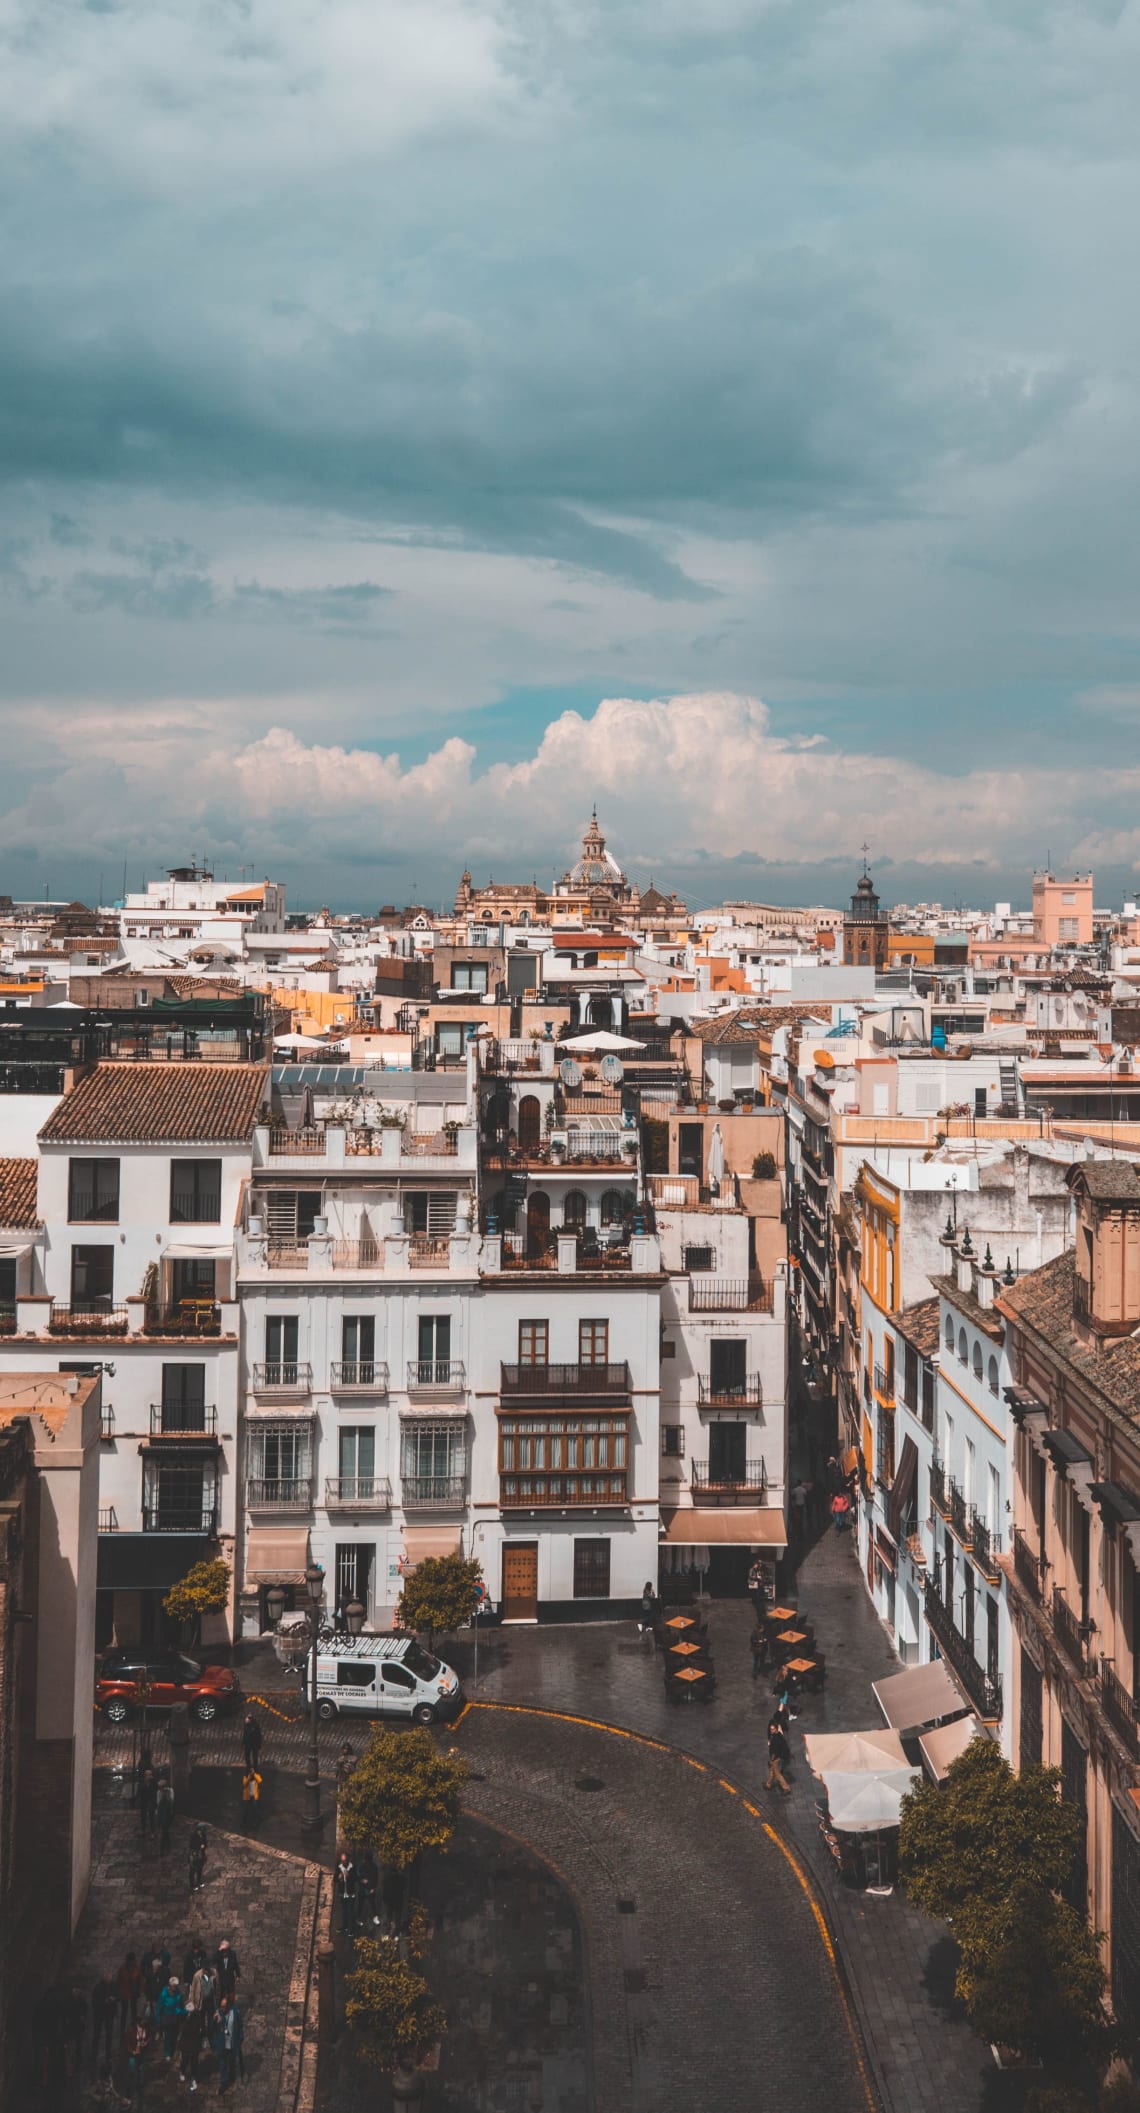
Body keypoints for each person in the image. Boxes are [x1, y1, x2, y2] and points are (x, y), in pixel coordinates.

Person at [211, 1996, 244, 2093]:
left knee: (232, 2061)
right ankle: (224, 2082)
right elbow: (212, 2029)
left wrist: (240, 2039)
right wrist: (214, 2021)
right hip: (222, 2044)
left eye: (224, 2006)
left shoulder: (235, 2013)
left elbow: (240, 2025)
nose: (223, 2008)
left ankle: (232, 2075)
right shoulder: (218, 2013)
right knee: (223, 2063)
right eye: (221, 2006)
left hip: (232, 2043)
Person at [92, 1973, 118, 2072]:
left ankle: (108, 2053)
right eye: (107, 1977)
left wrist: (114, 1998)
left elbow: (118, 1995)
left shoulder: (113, 1986)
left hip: (109, 2013)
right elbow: (94, 2001)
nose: (108, 1979)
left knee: (109, 2033)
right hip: (100, 2014)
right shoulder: (98, 1988)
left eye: (109, 1978)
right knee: (97, 2033)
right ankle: (94, 2053)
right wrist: (104, 2001)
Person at [156, 1976, 184, 2063]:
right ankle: (167, 2053)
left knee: (174, 2036)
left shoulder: (178, 1993)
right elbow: (159, 2006)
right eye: (174, 1986)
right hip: (167, 2018)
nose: (175, 1987)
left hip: (176, 2018)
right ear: (170, 1985)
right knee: (168, 2036)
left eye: (176, 1986)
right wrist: (158, 2019)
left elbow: (180, 2005)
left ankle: (172, 2051)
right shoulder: (164, 1994)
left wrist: (182, 2012)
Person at [178, 1999, 204, 2093]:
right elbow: (183, 2029)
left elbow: (198, 2028)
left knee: (194, 2062)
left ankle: (194, 2078)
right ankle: (182, 2071)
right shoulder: (183, 2016)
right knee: (185, 2060)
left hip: (194, 2043)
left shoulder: (197, 2015)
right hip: (185, 2043)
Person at [115, 1951, 142, 2034]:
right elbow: (119, 1981)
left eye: (133, 1960)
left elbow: (140, 1980)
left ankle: (134, 2028)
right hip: (125, 1992)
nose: (132, 1962)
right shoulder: (122, 1968)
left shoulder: (137, 1968)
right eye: (131, 1960)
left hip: (133, 1992)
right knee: (124, 2012)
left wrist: (139, 1990)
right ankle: (123, 2030)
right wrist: (119, 1993)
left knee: (134, 2011)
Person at [765, 1714, 792, 1796]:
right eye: (770, 1729)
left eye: (772, 1729)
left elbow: (775, 1751)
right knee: (772, 1771)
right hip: (776, 1757)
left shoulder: (776, 1739)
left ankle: (786, 1788)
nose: (771, 1731)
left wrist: (772, 1758)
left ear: (776, 1729)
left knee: (777, 1774)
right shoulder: (778, 1735)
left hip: (775, 1758)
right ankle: (768, 1784)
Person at [124, 2016, 149, 2101]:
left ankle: (140, 2087)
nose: (143, 2028)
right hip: (133, 2055)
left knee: (141, 2069)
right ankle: (130, 2090)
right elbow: (127, 2043)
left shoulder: (146, 2029)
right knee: (132, 2071)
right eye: (141, 2026)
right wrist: (132, 2051)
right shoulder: (131, 2030)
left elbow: (149, 2037)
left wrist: (145, 2043)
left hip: (141, 2054)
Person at [335, 1848, 358, 1934]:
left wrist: (349, 1876)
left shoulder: (352, 1867)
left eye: (344, 1860)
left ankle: (350, 1929)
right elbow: (335, 1879)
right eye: (342, 1860)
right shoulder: (339, 1867)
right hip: (342, 1893)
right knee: (344, 1911)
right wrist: (339, 1877)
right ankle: (344, 1927)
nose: (343, 1862)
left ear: (348, 1860)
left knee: (350, 1911)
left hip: (350, 1892)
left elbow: (356, 1879)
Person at [356, 1848, 380, 1929]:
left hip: (370, 1888)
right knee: (361, 1904)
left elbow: (376, 1878)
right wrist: (362, 1880)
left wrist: (373, 1887)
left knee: (372, 1904)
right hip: (363, 1888)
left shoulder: (374, 1867)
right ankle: (359, 1918)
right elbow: (358, 1876)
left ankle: (374, 1917)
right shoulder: (362, 1866)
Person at [155, 1774, 175, 1855]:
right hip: (161, 1813)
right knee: (164, 1831)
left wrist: (166, 1796)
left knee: (165, 1831)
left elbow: (172, 1801)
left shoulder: (170, 1791)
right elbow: (158, 1803)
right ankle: (165, 1847)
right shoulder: (158, 1792)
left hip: (168, 1813)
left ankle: (165, 1847)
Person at [188, 1822, 208, 1894]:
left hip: (201, 1855)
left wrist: (204, 1846)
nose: (201, 1832)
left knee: (200, 1869)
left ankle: (199, 1882)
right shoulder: (193, 1836)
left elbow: (206, 1844)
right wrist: (199, 1846)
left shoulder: (203, 1835)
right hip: (194, 1855)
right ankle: (192, 1885)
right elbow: (191, 1846)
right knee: (192, 1871)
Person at [138, 1768, 158, 1836]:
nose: (148, 1776)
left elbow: (155, 1791)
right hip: (144, 1801)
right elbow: (140, 1792)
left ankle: (152, 1832)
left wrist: (152, 1782)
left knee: (151, 1817)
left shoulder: (154, 1782)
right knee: (143, 1817)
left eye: (150, 1775)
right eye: (147, 1775)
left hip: (151, 1801)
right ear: (145, 1775)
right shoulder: (142, 1782)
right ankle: (143, 1830)